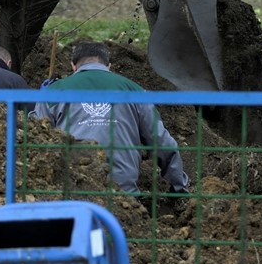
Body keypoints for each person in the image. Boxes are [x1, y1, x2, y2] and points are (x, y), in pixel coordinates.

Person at [32, 41, 190, 195]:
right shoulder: (134, 90)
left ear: (73, 66)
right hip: (123, 191)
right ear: (108, 67)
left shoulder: (53, 92)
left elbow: (36, 137)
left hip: (73, 187)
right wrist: (178, 187)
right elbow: (160, 141)